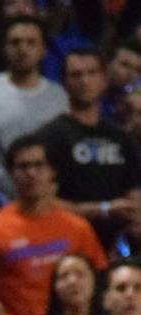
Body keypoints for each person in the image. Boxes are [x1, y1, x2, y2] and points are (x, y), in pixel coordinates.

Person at [0, 135, 108, 315]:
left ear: (52, 172)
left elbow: (100, 283)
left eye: (39, 165)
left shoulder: (77, 228)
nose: (31, 173)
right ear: (11, 174)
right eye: (23, 167)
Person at [36, 48, 141, 243]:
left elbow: (132, 191)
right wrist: (102, 210)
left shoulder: (120, 136)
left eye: (92, 73)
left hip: (116, 244)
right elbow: (40, 200)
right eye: (76, 75)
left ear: (104, 79)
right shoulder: (49, 136)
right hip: (65, 239)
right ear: (64, 82)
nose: (85, 81)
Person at [0, 16, 68, 155]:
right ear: (4, 48)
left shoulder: (61, 97)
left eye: (31, 43)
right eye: (15, 42)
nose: (22, 49)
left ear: (44, 50)